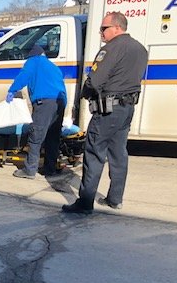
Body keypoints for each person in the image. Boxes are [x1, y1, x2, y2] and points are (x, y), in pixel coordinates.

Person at [62, 12, 148, 214]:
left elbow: (95, 80)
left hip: (108, 110)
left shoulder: (110, 49)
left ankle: (85, 203)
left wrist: (85, 91)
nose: (101, 32)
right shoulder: (140, 49)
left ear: (117, 28)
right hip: (127, 109)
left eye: (104, 28)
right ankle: (115, 199)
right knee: (118, 152)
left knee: (94, 153)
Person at [6, 45, 67, 179]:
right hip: (60, 102)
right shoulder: (53, 66)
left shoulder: (33, 61)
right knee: (53, 137)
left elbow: (24, 76)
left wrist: (12, 90)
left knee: (36, 137)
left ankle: (30, 170)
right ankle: (50, 169)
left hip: (44, 102)